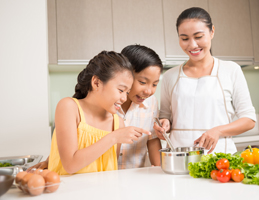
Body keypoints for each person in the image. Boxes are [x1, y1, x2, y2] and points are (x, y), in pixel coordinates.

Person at [28, 45, 163, 171]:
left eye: (126, 92)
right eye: (121, 90)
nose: (123, 98)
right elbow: (71, 160)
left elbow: (109, 169)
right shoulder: (72, 107)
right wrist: (52, 159)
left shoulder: (118, 121)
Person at [153, 7, 256, 154]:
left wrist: (218, 131)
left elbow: (249, 120)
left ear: (212, 31)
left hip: (220, 158)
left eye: (198, 36)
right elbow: (165, 117)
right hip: (179, 158)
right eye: (184, 38)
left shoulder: (231, 70)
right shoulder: (170, 76)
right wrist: (163, 124)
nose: (192, 45)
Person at [118, 44, 163, 169]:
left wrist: (160, 171)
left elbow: (152, 139)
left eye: (154, 84)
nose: (148, 91)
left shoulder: (151, 103)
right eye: (142, 82)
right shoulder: (107, 102)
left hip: (136, 178)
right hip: (106, 177)